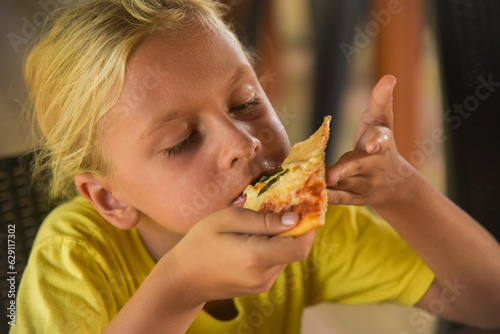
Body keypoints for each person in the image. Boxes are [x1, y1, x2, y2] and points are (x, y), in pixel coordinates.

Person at [14, 0, 500, 333]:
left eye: (245, 103)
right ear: (110, 198)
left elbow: (489, 300)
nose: (242, 144)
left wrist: (403, 192)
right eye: (182, 141)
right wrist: (181, 287)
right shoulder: (75, 259)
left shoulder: (308, 225)